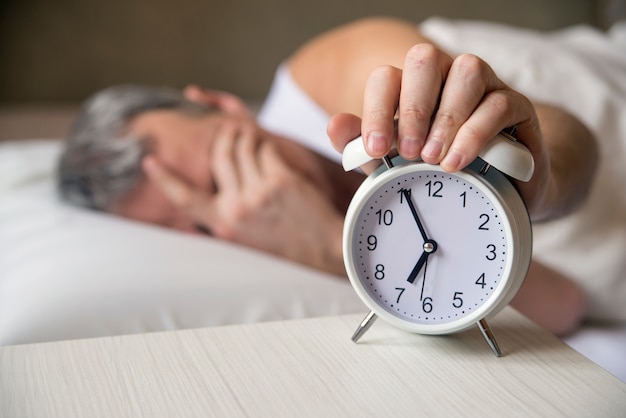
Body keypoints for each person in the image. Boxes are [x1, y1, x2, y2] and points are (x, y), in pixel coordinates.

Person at [59, 17, 599, 336]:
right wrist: (327, 245)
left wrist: (536, 184)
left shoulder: (340, 76)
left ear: (222, 105)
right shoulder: (264, 243)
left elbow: (546, 128)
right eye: (205, 225)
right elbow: (564, 304)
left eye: (225, 170)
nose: (249, 204)